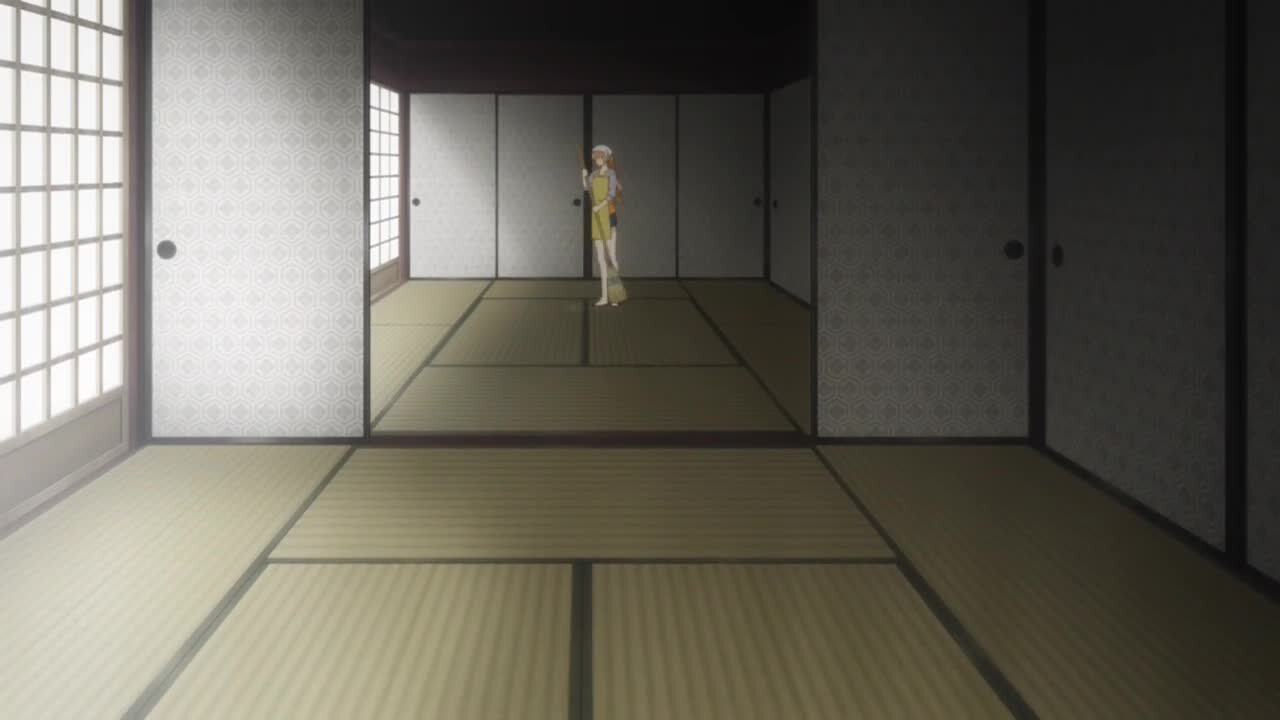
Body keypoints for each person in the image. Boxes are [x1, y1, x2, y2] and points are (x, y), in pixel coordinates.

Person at [581, 144, 624, 305]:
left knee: (611, 257)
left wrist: (599, 206)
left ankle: (615, 296)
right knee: (600, 258)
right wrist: (583, 176)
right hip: (596, 218)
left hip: (608, 217)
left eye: (600, 157)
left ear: (605, 158)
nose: (598, 160)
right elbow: (587, 188)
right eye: (596, 157)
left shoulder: (611, 174)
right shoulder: (594, 174)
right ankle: (605, 296)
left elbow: (611, 195)